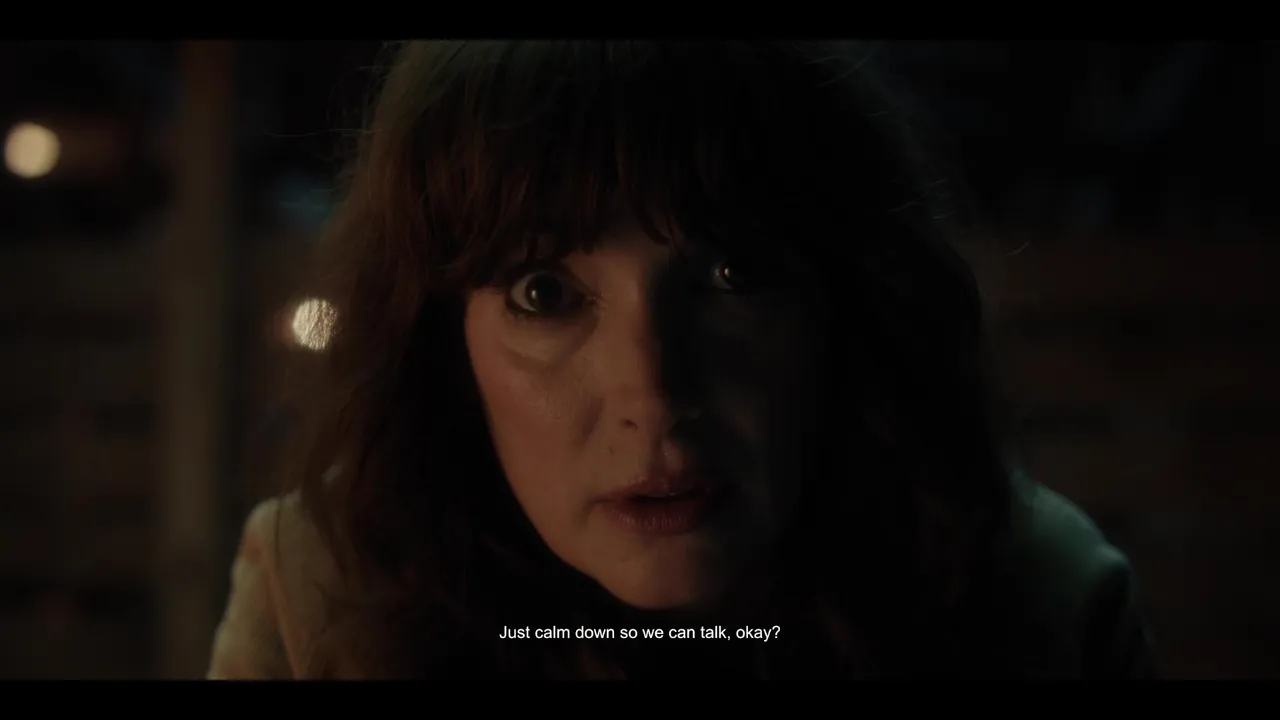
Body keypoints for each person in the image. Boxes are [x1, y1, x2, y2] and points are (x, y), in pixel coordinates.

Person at [207, 40, 1154, 679]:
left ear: (845, 303)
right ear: (442, 345)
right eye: (544, 293)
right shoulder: (320, 592)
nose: (652, 393)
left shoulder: (1041, 598)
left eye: (733, 273)